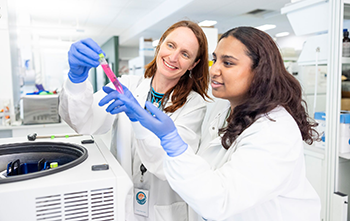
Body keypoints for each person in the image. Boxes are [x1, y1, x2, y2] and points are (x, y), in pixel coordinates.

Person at [100, 26, 322, 221]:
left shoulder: (275, 131)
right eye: (215, 60)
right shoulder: (223, 107)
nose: (214, 69)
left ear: (260, 72)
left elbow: (220, 199)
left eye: (228, 63)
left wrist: (172, 142)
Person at [59, 20, 210, 220]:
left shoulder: (194, 104)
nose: (173, 57)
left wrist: (139, 119)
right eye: (170, 45)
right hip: (122, 203)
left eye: (185, 54)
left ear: (194, 64)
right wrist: (76, 80)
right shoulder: (126, 85)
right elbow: (84, 121)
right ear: (160, 45)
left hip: (163, 210)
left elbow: (171, 165)